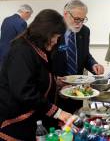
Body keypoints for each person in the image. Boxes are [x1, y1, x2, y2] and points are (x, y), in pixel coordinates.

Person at [0, 9, 72, 141]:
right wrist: (58, 112)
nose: (56, 41)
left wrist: (55, 82)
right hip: (18, 119)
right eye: (55, 36)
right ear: (45, 33)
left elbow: (38, 75)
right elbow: (24, 91)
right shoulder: (21, 50)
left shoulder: (37, 47)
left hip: (35, 115)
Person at [50, 0, 104, 113]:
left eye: (83, 19)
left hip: (77, 89)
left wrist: (93, 64)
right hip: (55, 90)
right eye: (76, 19)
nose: (79, 23)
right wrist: (55, 82)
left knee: (75, 119)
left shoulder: (85, 31)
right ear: (65, 14)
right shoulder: (52, 31)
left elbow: (85, 55)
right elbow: (44, 61)